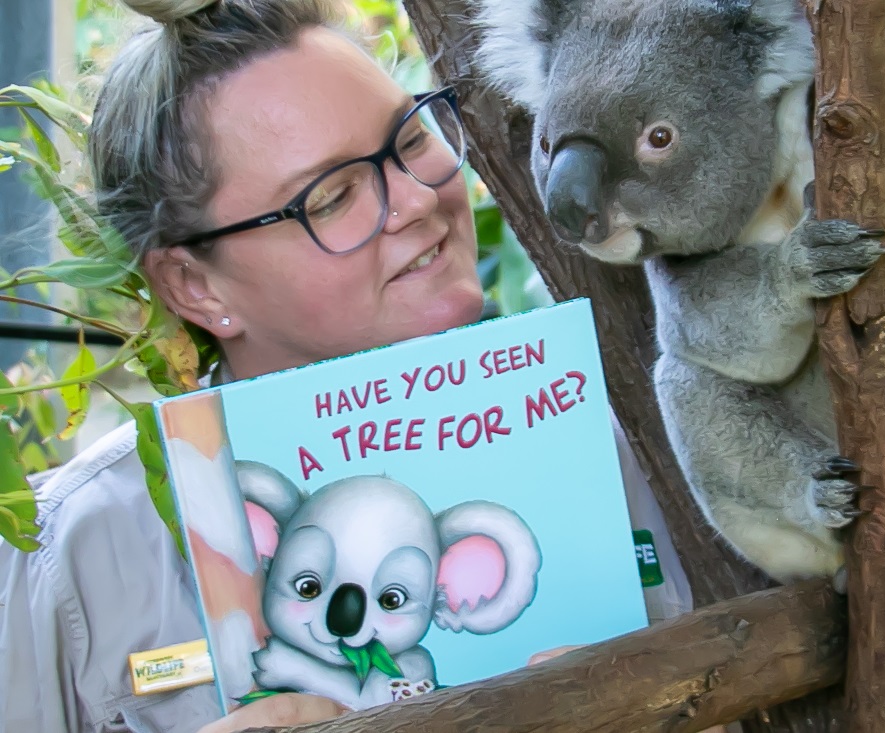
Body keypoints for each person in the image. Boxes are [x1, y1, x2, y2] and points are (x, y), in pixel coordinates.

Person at [0, 1, 713, 731]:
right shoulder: (75, 552)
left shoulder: (629, 446)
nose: (414, 198)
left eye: (411, 137)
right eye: (331, 196)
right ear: (195, 286)